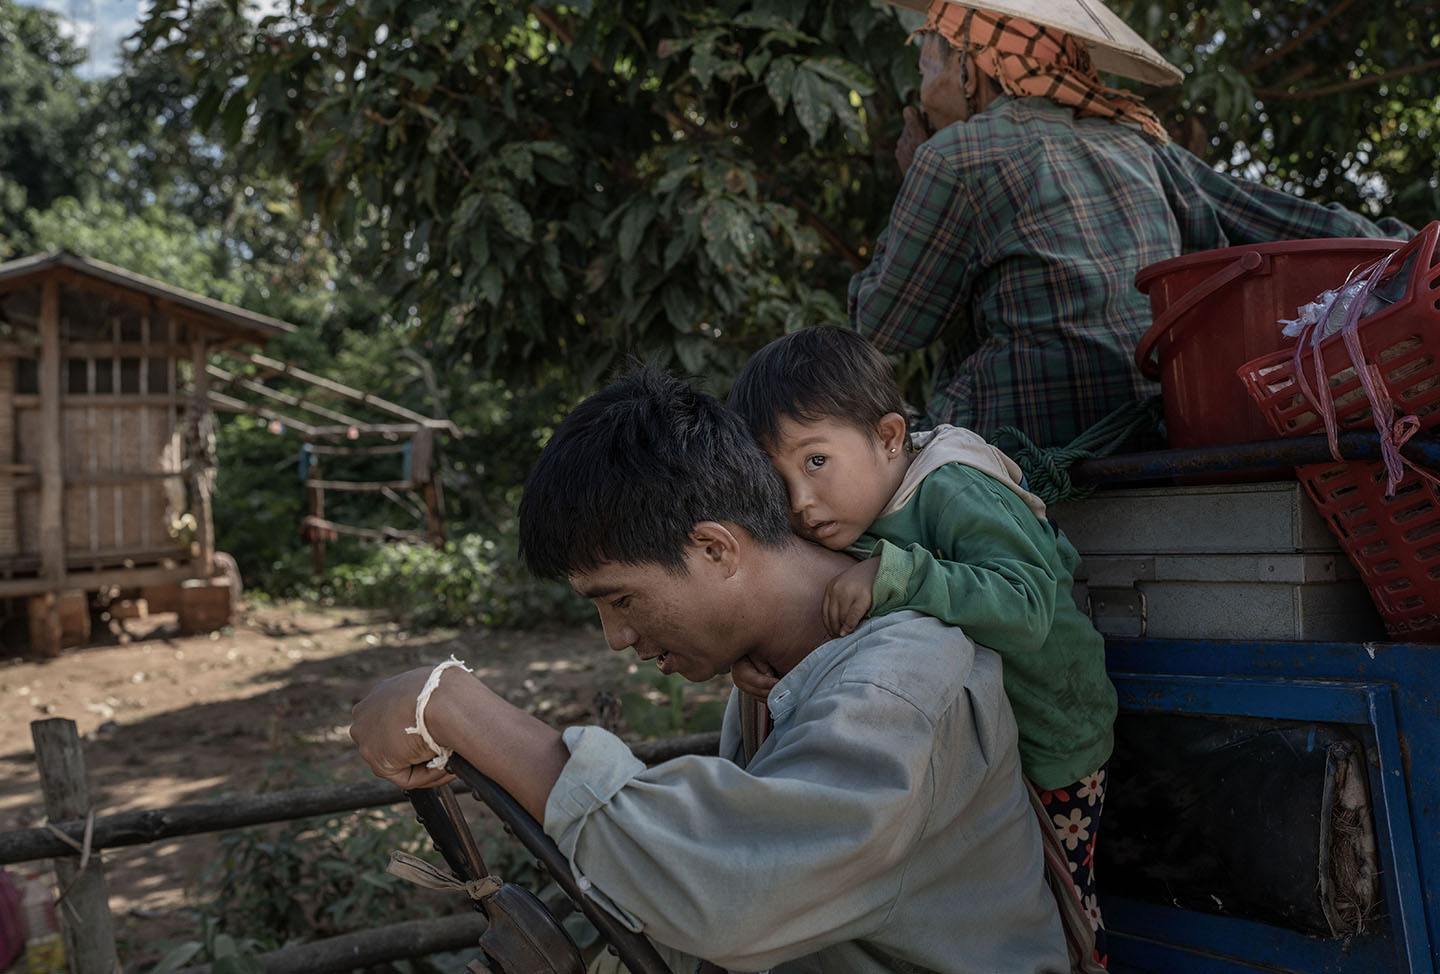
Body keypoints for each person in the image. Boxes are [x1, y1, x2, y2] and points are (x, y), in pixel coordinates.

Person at [350, 368, 1068, 974]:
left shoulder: (899, 686)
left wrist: (453, 706)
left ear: (716, 549)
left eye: (621, 599)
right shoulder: (778, 665)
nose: (617, 638)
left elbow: (733, 884)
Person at [850, 0, 1413, 450]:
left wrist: (912, 182)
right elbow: (1288, 221)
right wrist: (1407, 247)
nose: (920, 91)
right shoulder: (1138, 142)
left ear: (970, 69)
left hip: (1016, 441)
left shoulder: (955, 155)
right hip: (1152, 423)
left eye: (927, 67)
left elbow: (884, 326)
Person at [728, 324, 1116, 959]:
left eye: (816, 461)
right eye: (779, 479)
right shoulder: (840, 515)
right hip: (968, 744)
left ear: (887, 437)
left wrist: (900, 572)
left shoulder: (955, 488)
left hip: (1053, 741)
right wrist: (760, 656)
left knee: (1057, 894)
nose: (800, 501)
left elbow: (1027, 608)